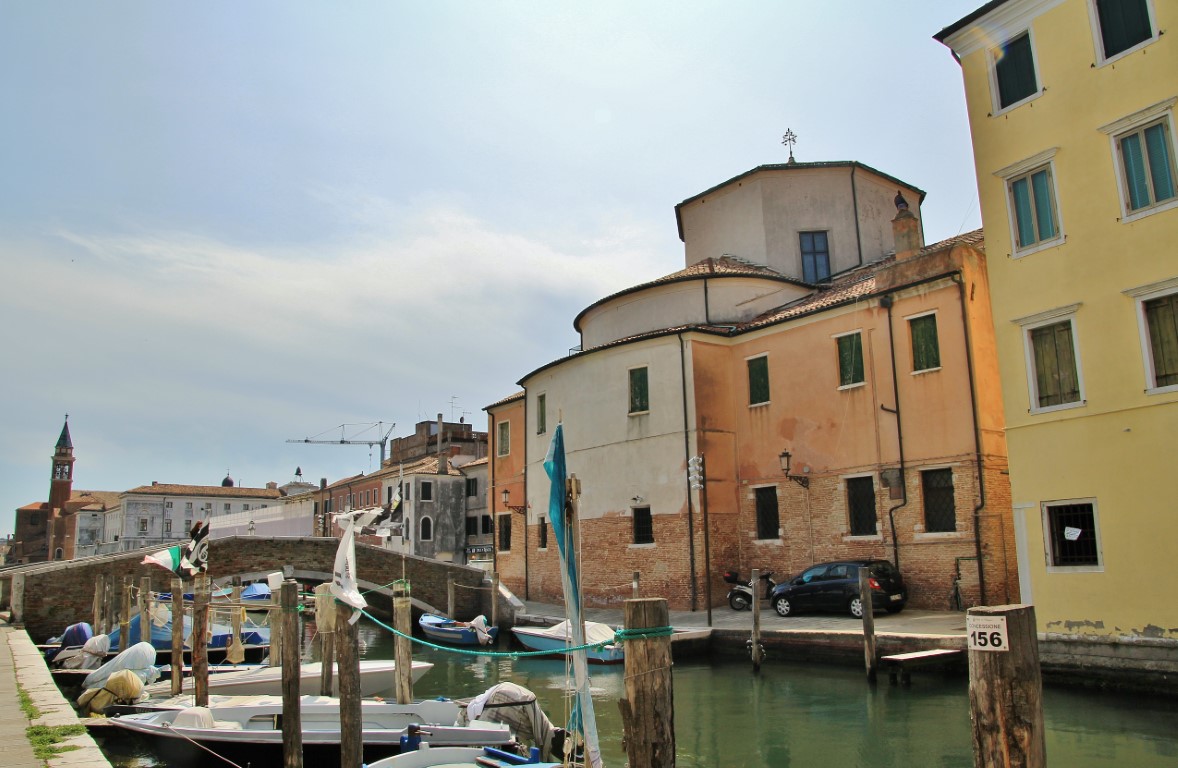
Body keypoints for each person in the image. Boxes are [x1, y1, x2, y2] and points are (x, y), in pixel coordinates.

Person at [462, 682, 568, 760]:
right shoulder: (478, 707)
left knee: (499, 739)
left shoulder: (469, 718)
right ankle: (555, 741)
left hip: (508, 697)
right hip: (522, 696)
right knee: (541, 732)